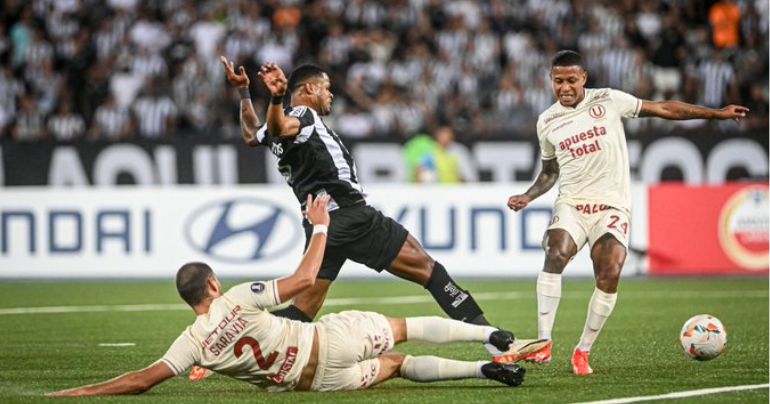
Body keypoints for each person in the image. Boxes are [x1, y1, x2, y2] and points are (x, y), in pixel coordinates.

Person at [47, 194, 528, 396]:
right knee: (402, 330)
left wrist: (79, 392)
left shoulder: (191, 344)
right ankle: (490, 337)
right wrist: (320, 229)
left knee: (398, 366)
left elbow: (140, 381)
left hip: (315, 384)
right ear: (212, 285)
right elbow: (300, 283)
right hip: (326, 342)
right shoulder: (236, 298)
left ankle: (476, 371)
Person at [500, 50, 748, 375]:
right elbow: (549, 172)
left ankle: (583, 350)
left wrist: (715, 114)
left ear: (583, 78)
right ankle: (543, 343)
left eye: (571, 80)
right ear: (551, 80)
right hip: (572, 202)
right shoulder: (546, 121)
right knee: (555, 252)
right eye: (558, 81)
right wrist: (528, 195)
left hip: (612, 205)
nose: (565, 87)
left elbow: (663, 109)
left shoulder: (609, 100)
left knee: (610, 270)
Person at [218, 57, 500, 330]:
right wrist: (277, 97)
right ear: (309, 89)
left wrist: (243, 91)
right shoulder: (302, 114)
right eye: (326, 88)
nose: (330, 95)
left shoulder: (277, 126)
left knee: (301, 312)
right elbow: (280, 125)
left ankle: (234, 334)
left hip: (322, 225)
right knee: (428, 269)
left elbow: (250, 134)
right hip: (350, 215)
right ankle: (496, 340)